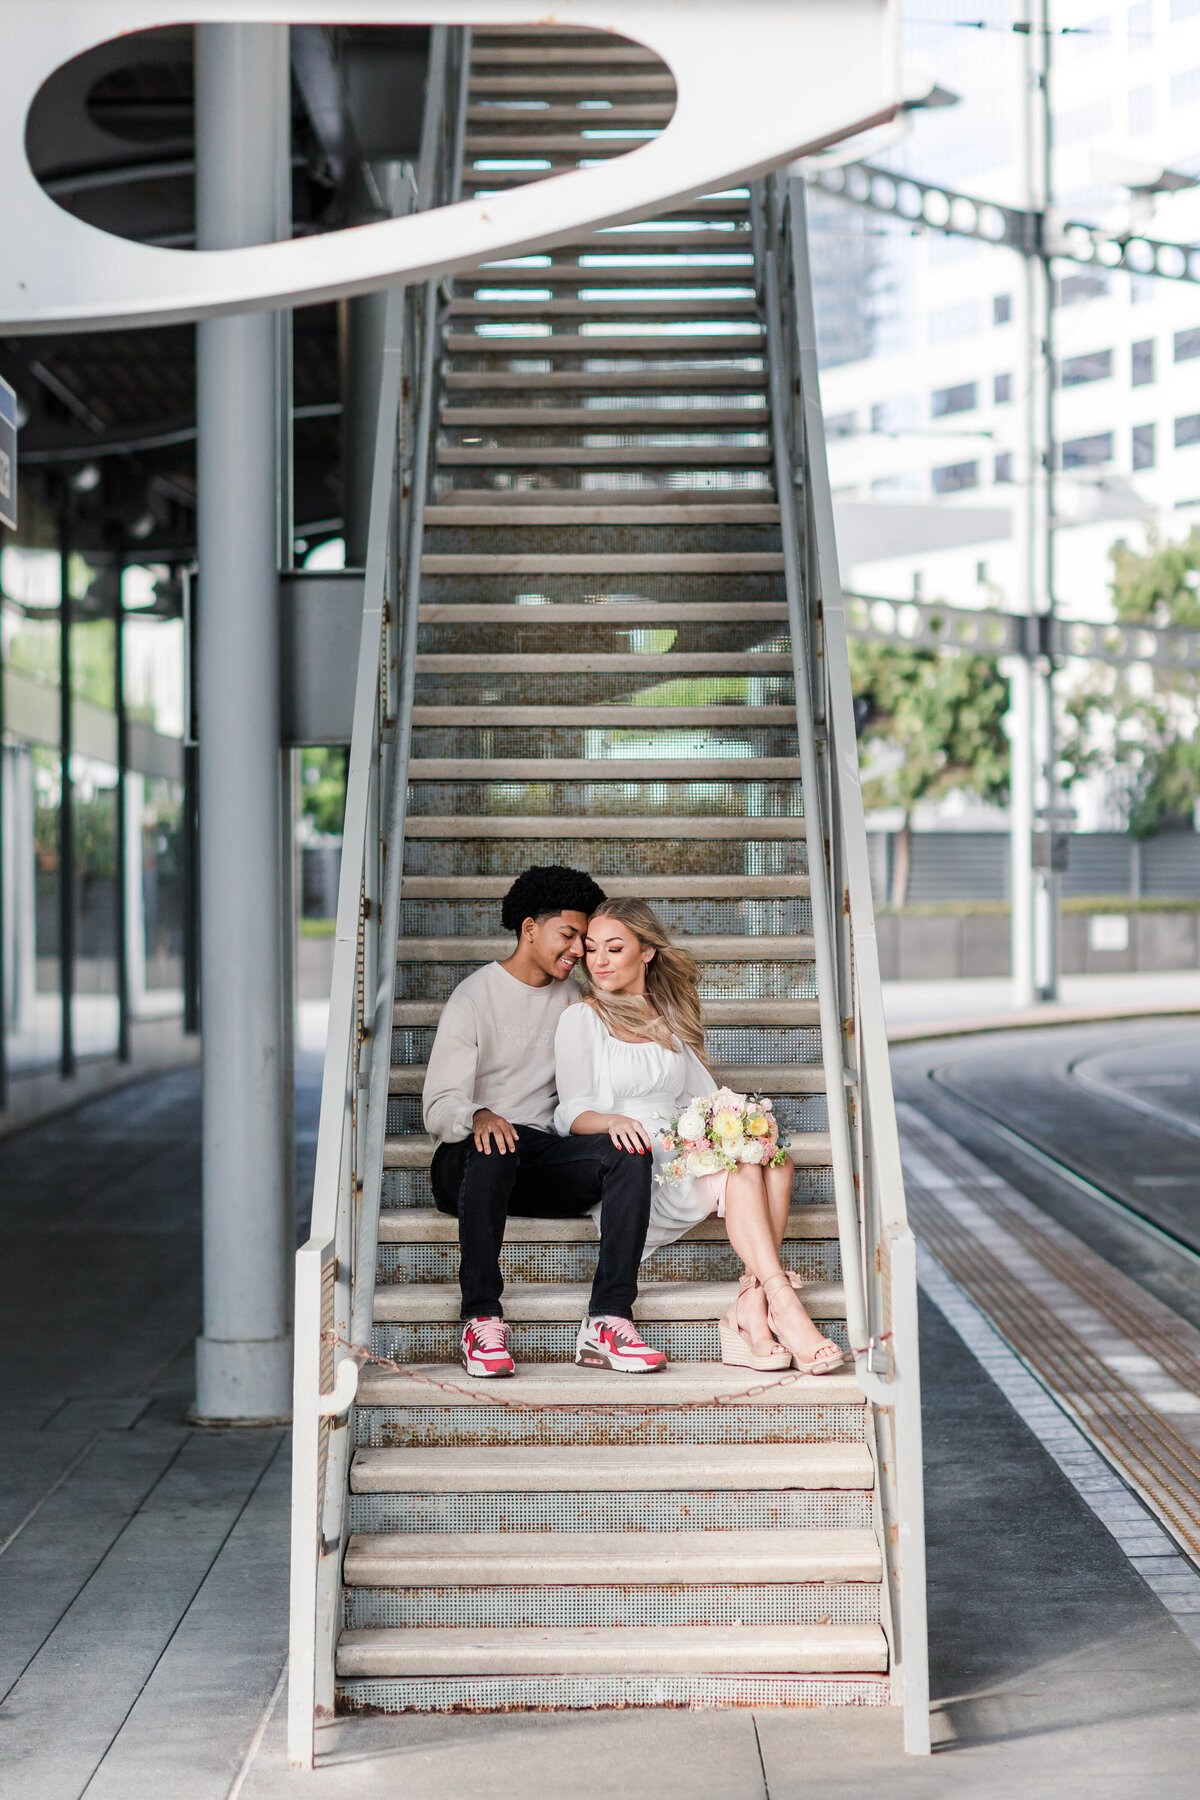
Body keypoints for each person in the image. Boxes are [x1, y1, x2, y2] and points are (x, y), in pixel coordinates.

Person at [554, 898, 844, 1376]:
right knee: (742, 1165)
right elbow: (570, 1112)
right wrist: (609, 1122)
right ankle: (781, 1305)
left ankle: (752, 1305)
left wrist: (747, 1122)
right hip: (632, 1158)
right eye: (591, 949)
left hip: (679, 1147)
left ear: (646, 952)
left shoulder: (666, 1016)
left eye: (614, 947)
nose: (598, 961)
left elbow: (702, 1099)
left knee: (770, 1157)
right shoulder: (583, 1018)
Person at [422, 865, 666, 1378]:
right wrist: (479, 1114)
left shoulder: (577, 1000)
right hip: (467, 1162)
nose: (579, 950)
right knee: (497, 1144)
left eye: (585, 939)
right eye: (569, 935)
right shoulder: (473, 997)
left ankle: (608, 1319)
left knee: (628, 1153)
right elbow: (439, 1106)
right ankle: (481, 1320)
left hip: (539, 1159)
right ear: (529, 928)